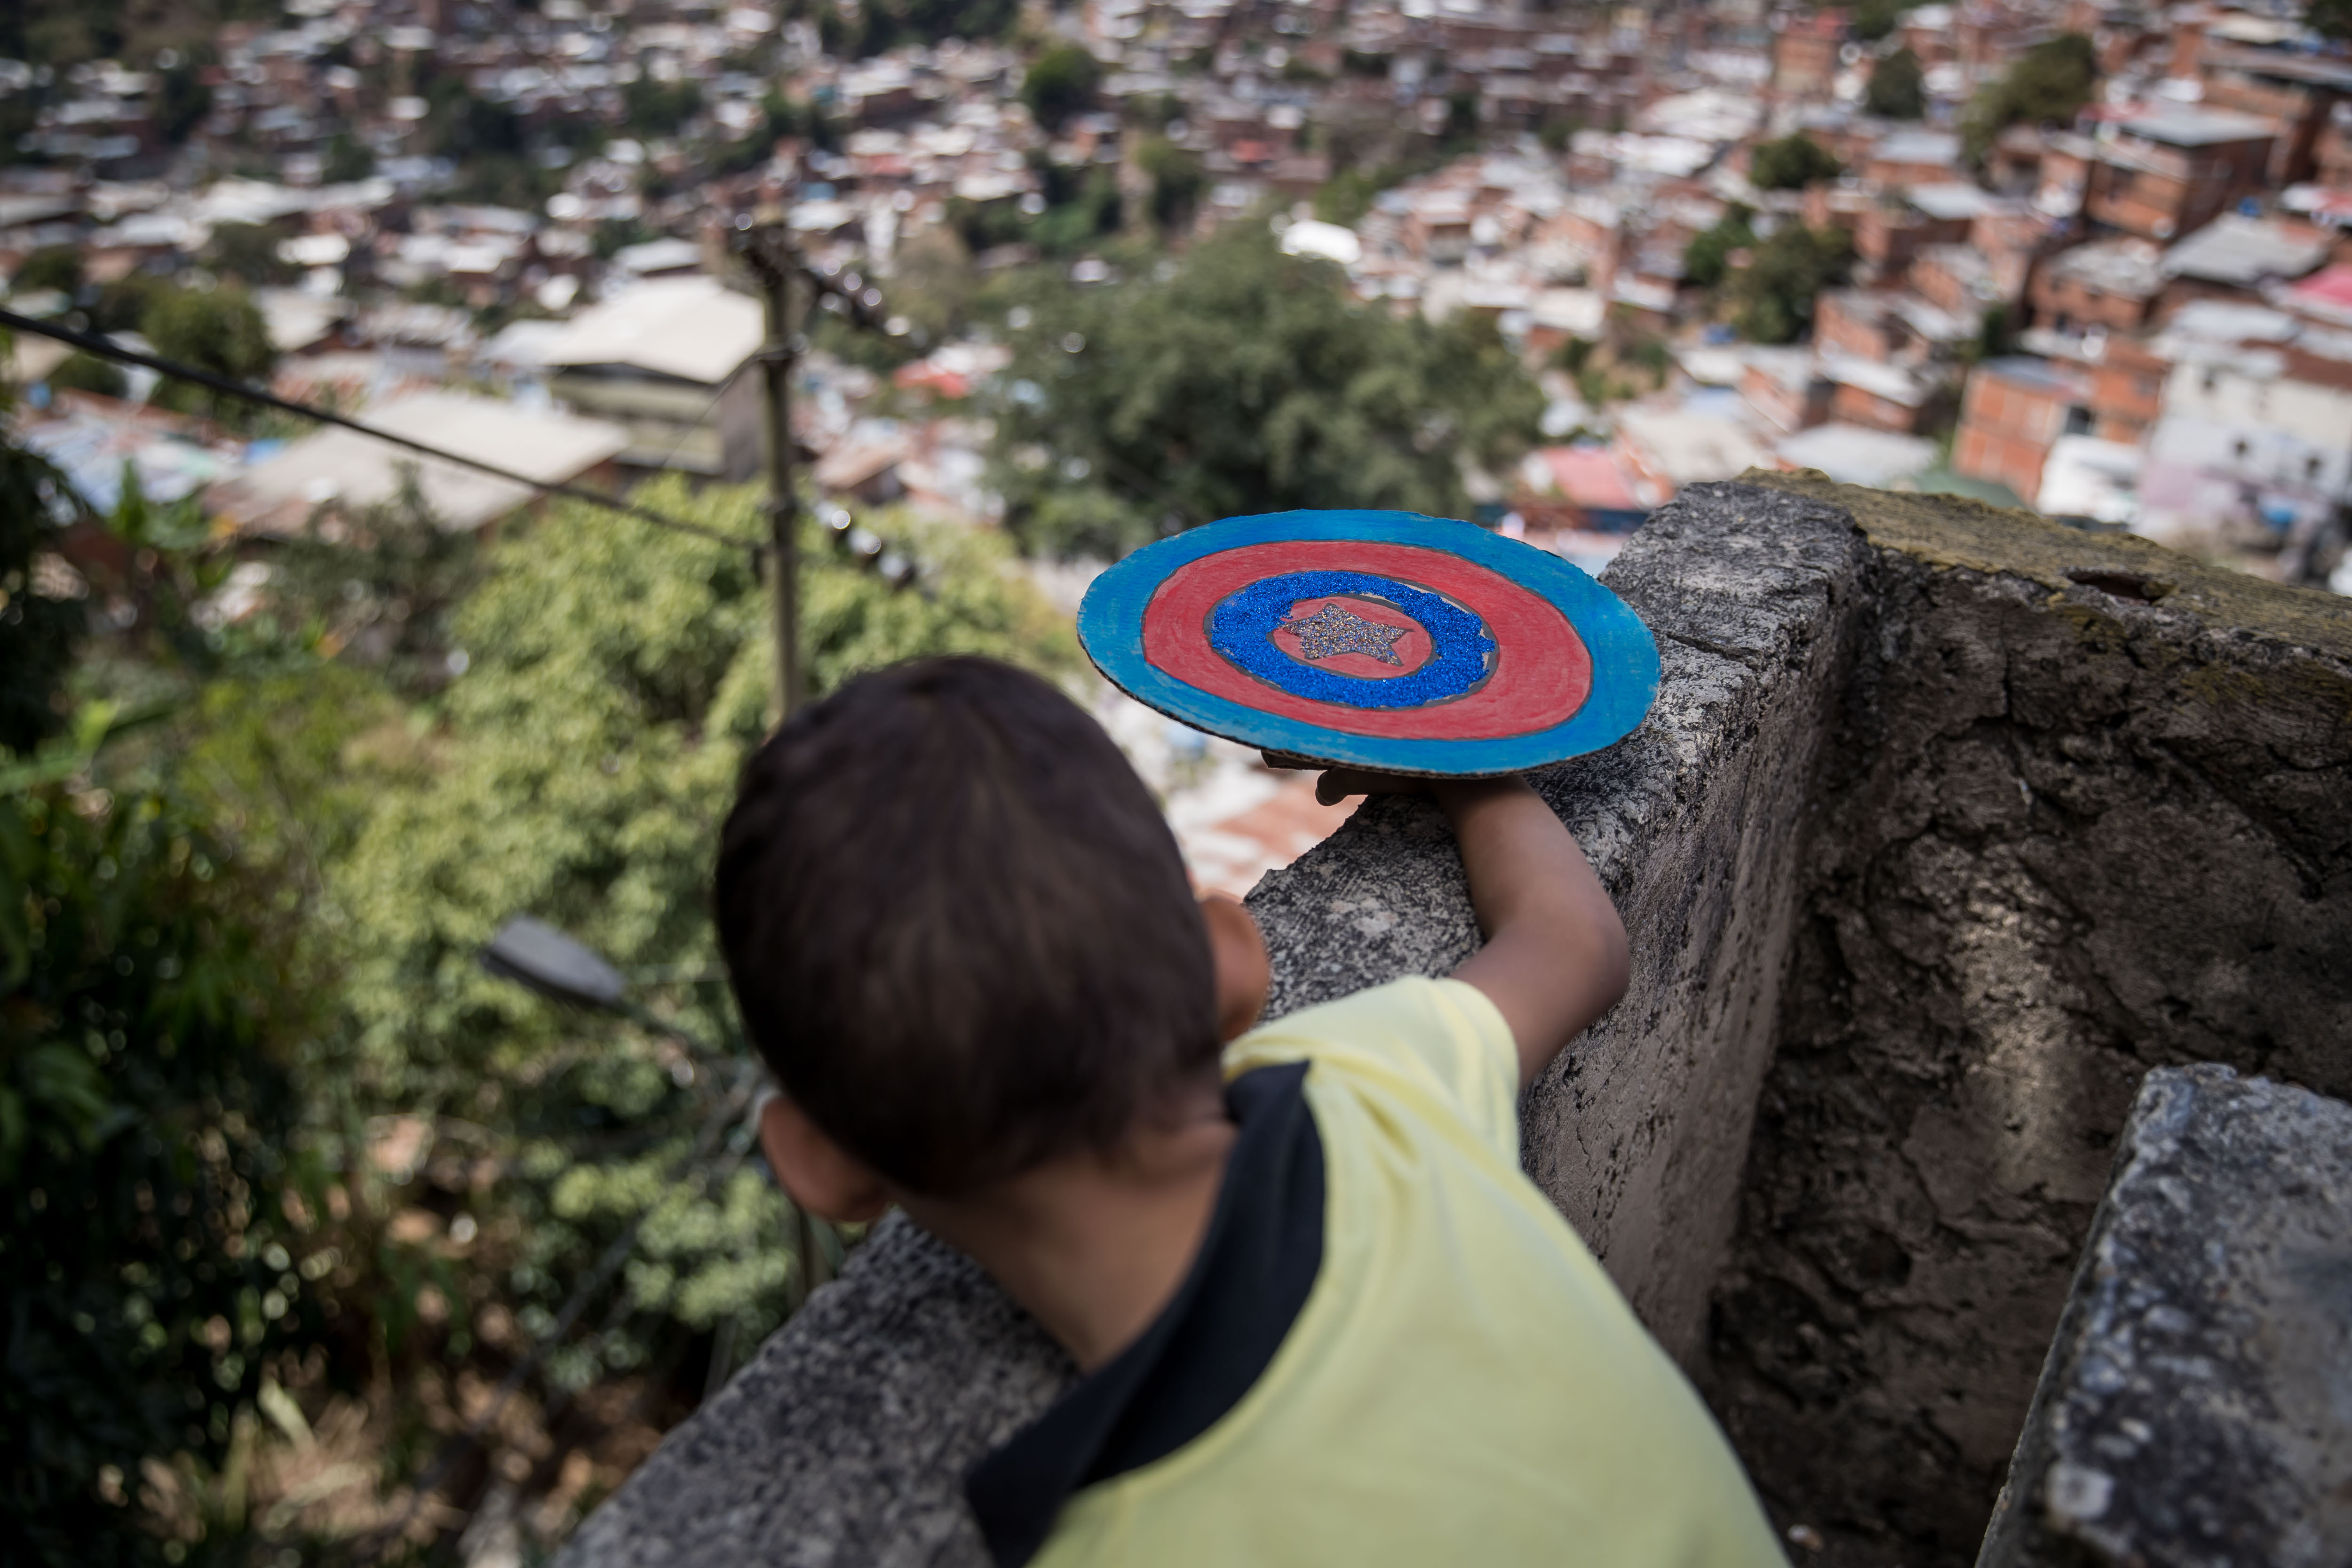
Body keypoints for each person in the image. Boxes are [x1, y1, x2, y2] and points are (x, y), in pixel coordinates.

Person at [714, 655, 1784, 1568]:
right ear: (1230, 967)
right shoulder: (1372, 1089)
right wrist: (1459, 767)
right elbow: (1575, 945)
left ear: (820, 1166)